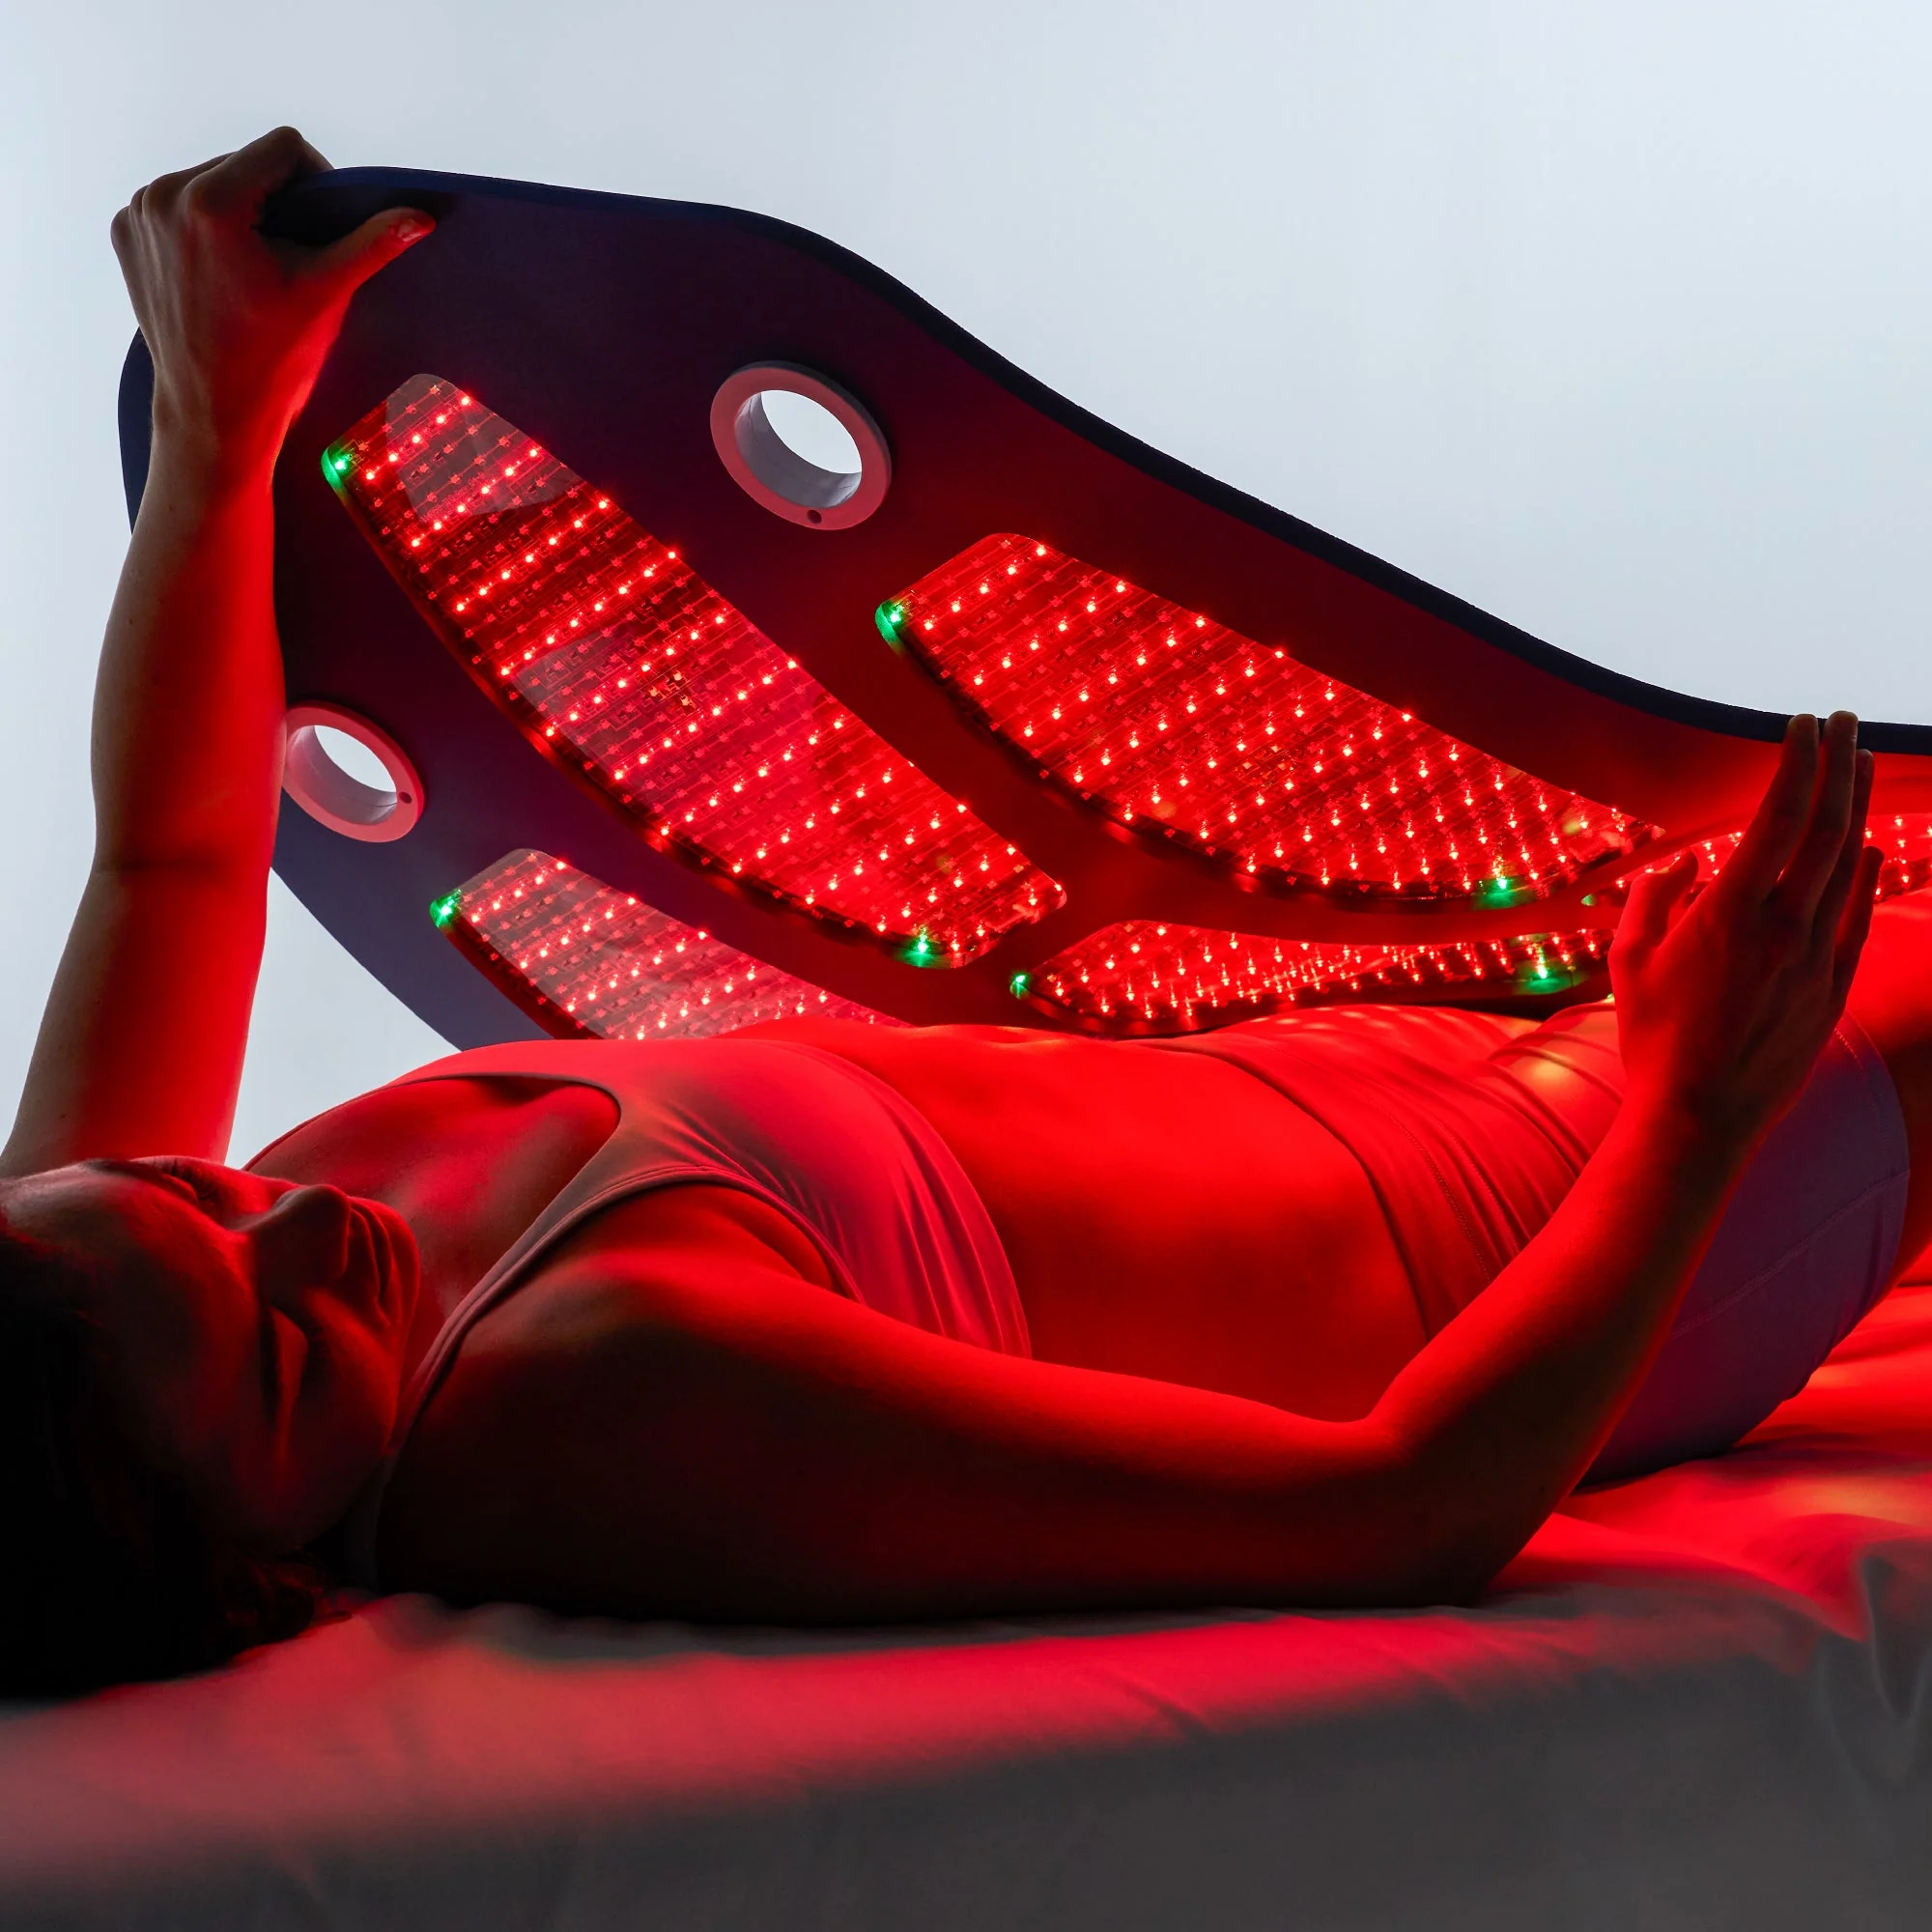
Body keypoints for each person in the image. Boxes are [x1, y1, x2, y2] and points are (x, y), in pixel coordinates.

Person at [3, 128, 1926, 1698]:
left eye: (206, 1195)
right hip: (1565, 1212)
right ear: (255, 1574)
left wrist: (215, 425)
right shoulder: (575, 1413)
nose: (296, 1227)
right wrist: (1693, 1107)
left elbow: (166, 865)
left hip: (1372, 1059)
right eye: (280, 1356)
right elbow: (1388, 1512)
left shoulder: (86, 1298)